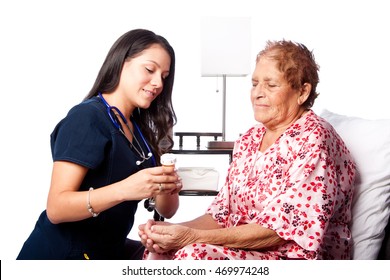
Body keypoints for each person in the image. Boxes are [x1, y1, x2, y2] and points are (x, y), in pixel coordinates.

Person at [138, 39, 356, 260]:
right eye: (254, 84)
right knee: (159, 253)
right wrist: (168, 233)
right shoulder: (249, 139)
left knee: (193, 255)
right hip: (246, 250)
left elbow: (282, 231)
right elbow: (221, 214)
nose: (257, 93)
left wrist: (191, 237)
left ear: (302, 92)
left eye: (271, 85)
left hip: (291, 256)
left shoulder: (314, 138)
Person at [17, 29, 182, 260]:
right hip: (63, 255)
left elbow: (167, 210)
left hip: (106, 251)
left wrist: (167, 185)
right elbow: (56, 208)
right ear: (121, 63)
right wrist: (126, 189)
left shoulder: (139, 129)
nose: (157, 83)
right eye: (149, 69)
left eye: (164, 76)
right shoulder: (86, 118)